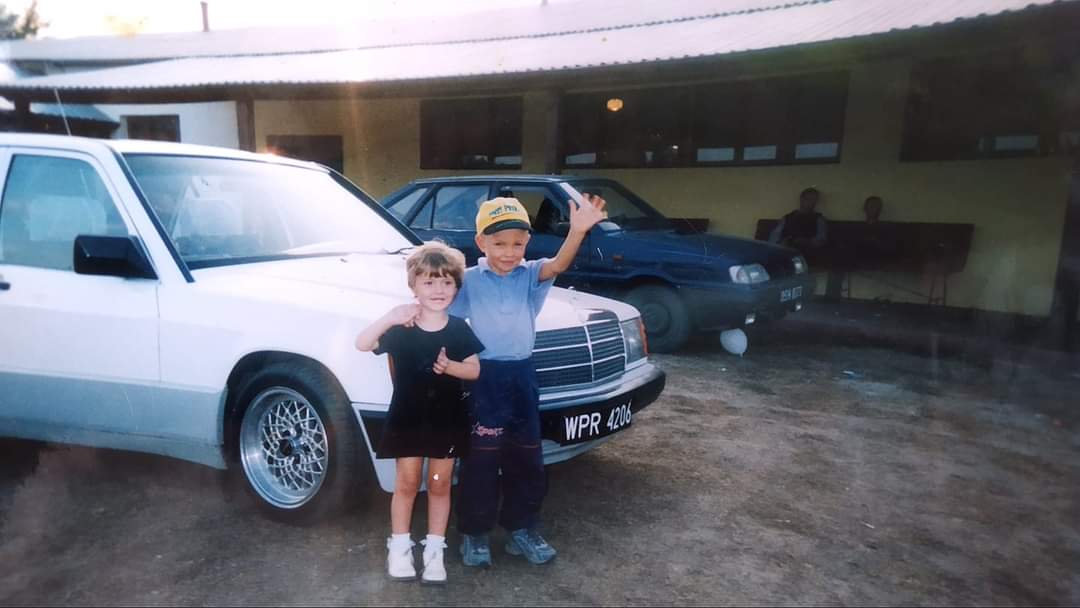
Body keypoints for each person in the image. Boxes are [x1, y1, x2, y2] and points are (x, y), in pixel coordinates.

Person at [450, 193, 606, 568]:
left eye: (518, 243)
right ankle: (475, 534)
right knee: (481, 461)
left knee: (527, 459)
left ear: (527, 244)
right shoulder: (468, 280)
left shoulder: (531, 274)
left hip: (522, 376)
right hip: (483, 378)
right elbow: (442, 313)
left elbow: (558, 264)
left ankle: (522, 530)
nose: (509, 252)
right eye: (499, 243)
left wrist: (577, 232)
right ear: (480, 243)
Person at [355, 241, 485, 585]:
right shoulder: (402, 327)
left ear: (457, 286)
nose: (439, 289)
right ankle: (399, 547)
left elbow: (474, 370)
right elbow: (362, 343)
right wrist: (390, 317)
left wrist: (452, 367)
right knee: (408, 482)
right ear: (413, 286)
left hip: (447, 421)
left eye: (447, 282)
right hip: (408, 419)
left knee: (440, 485)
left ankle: (434, 551)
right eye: (429, 282)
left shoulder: (458, 328)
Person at [768, 186, 828, 254]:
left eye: (814, 200)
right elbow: (773, 238)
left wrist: (806, 242)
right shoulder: (787, 217)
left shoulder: (819, 219)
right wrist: (783, 243)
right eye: (809, 199)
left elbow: (820, 241)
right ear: (801, 199)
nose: (812, 203)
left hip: (806, 253)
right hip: (786, 250)